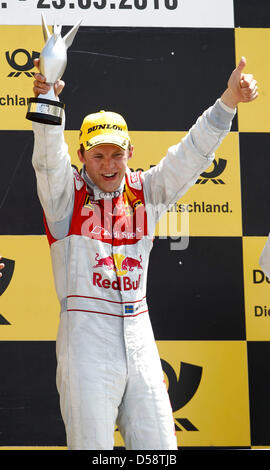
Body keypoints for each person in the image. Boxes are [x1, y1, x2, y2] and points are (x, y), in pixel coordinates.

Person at [31, 56, 257, 450]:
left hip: (140, 337)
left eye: (116, 154)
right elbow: (47, 160)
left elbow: (191, 154)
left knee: (160, 449)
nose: (108, 164)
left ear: (130, 152)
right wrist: (48, 97)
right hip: (85, 342)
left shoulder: (145, 191)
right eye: (97, 155)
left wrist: (229, 101)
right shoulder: (65, 198)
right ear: (81, 155)